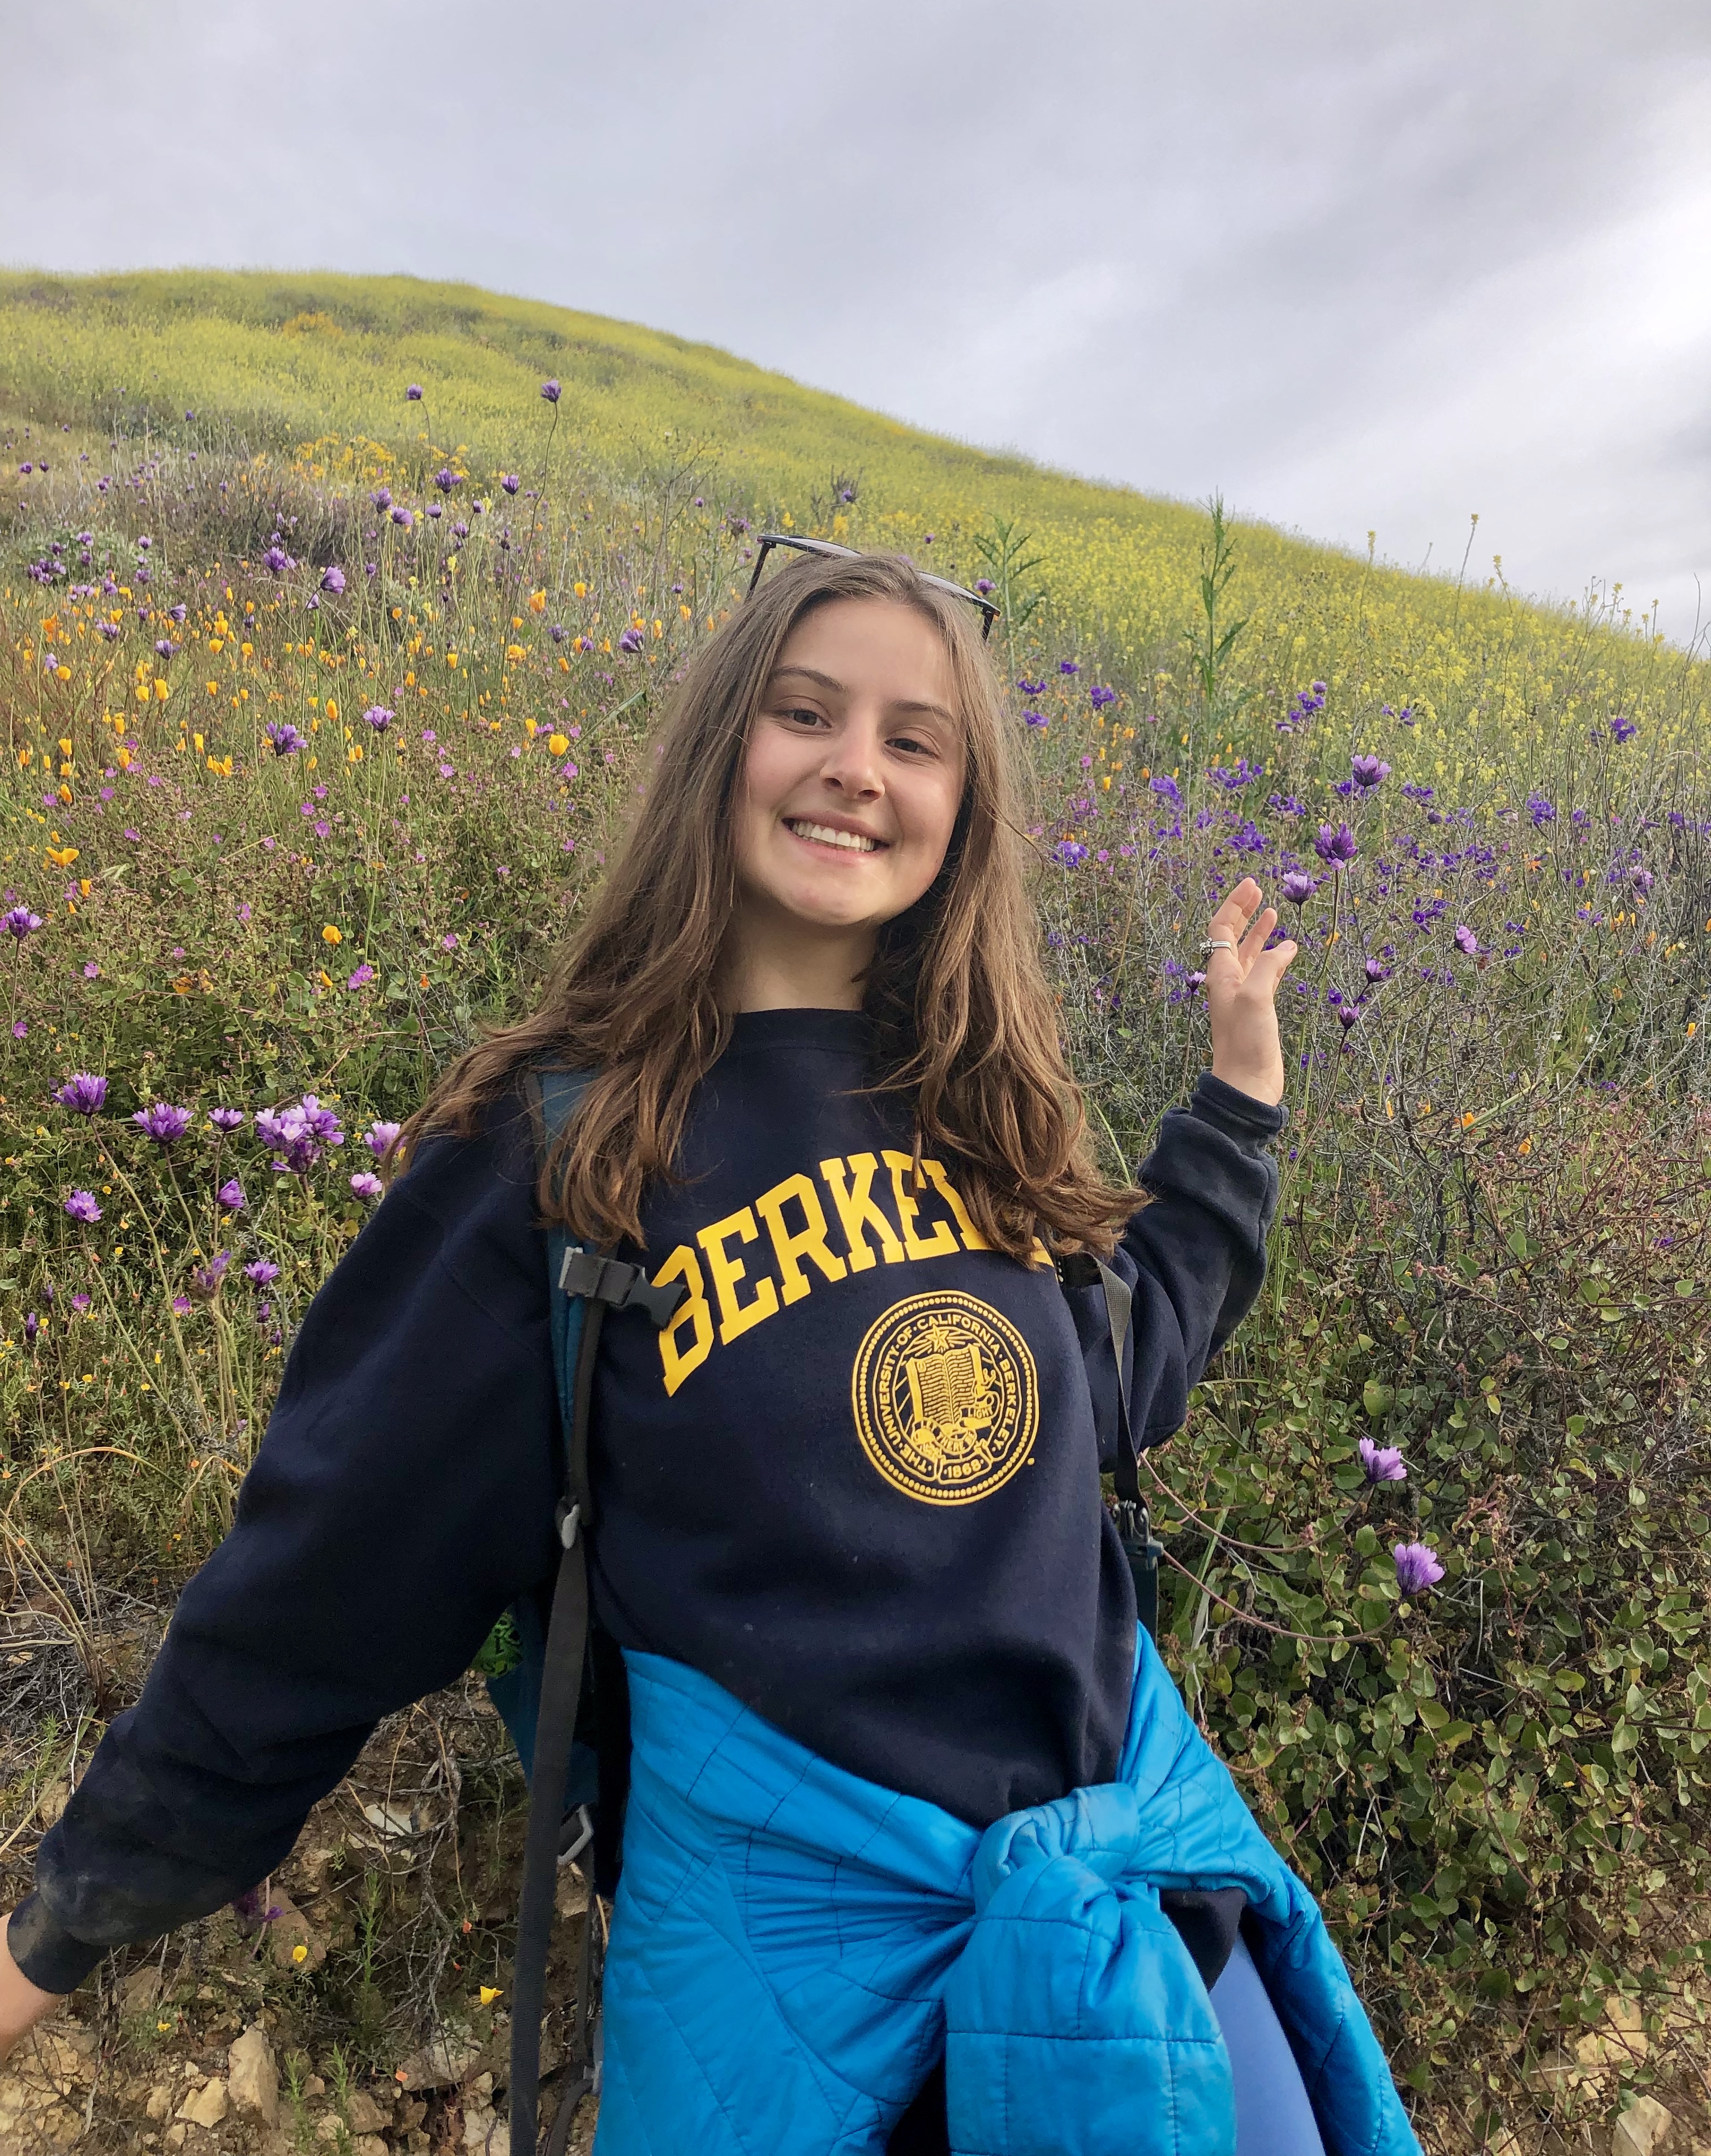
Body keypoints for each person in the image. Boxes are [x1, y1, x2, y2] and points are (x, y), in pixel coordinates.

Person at [0, 550, 1415, 2155]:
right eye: (803, 713)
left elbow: (1114, 1376)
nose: (854, 768)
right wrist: (49, 1941)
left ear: (967, 805)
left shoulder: (987, 1112)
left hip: (1132, 1911)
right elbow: (316, 1597)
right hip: (799, 1990)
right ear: (719, 748)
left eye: (914, 736)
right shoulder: (555, 1154)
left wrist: (1236, 1109)